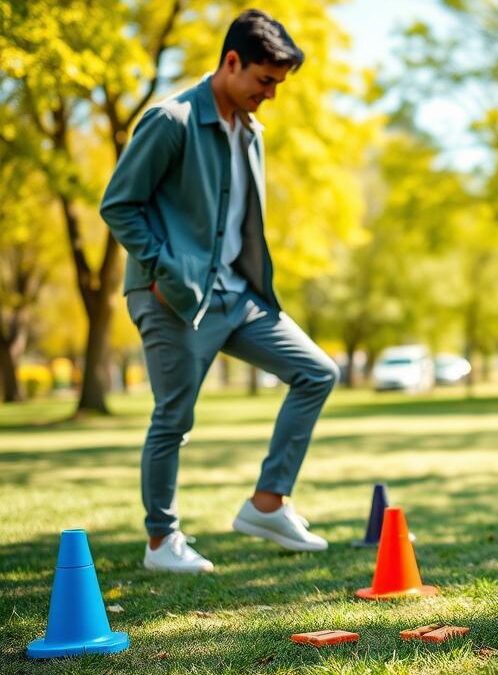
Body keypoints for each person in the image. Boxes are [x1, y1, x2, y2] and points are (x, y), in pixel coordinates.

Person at [100, 9, 339, 573]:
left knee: (317, 372)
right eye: (264, 81)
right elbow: (119, 204)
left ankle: (267, 503)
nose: (271, 95)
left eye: (278, 85)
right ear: (232, 62)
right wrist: (161, 271)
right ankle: (162, 542)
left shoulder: (251, 132)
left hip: (239, 296)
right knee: (174, 418)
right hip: (175, 297)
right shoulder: (172, 120)